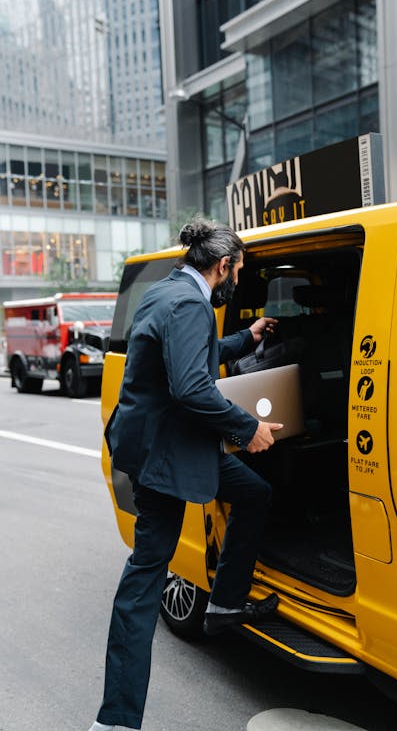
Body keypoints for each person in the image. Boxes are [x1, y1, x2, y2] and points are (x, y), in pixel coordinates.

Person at [88, 216, 282, 731]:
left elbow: (191, 356)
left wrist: (247, 336)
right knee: (144, 581)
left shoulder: (165, 290)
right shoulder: (192, 303)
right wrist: (249, 429)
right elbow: (193, 388)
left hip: (162, 444)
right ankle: (116, 721)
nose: (236, 281)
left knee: (253, 492)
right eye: (238, 272)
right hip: (166, 459)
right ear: (223, 267)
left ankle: (222, 603)